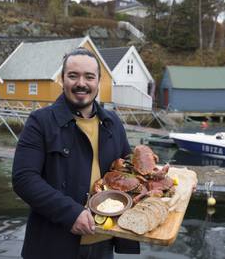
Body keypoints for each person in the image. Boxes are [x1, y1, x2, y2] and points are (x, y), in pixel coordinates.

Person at [12, 48, 140, 259]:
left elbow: (130, 169)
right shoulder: (40, 122)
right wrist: (71, 214)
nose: (81, 83)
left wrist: (170, 181)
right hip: (53, 244)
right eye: (73, 76)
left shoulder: (112, 122)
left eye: (89, 77)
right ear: (62, 80)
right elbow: (24, 179)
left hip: (103, 240)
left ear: (99, 81)